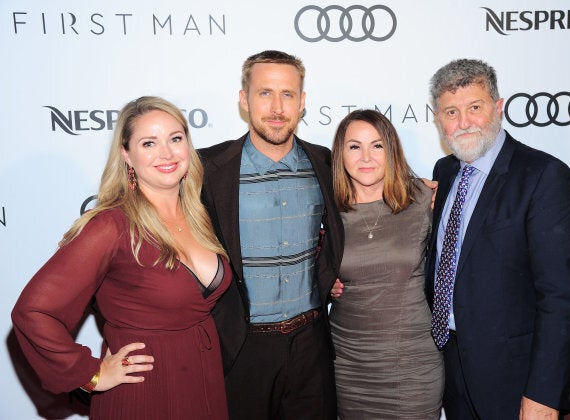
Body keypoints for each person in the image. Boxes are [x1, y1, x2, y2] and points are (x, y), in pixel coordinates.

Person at [12, 96, 232, 419]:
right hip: (145, 391)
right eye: (149, 143)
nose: (167, 153)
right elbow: (33, 311)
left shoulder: (199, 215)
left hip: (203, 380)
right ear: (127, 155)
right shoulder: (111, 226)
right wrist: (91, 374)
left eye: (175, 138)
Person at [425, 58, 570, 419]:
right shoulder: (446, 171)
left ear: (498, 107)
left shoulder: (544, 176)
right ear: (438, 119)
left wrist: (543, 396)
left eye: (475, 107)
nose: (463, 122)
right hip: (453, 368)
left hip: (516, 379)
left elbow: (560, 298)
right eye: (451, 111)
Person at [198, 50, 343, 419]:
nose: (277, 107)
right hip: (240, 348)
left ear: (302, 102)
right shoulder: (206, 171)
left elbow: (377, 189)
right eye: (265, 93)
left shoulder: (327, 163)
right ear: (244, 100)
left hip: (312, 345)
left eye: (288, 94)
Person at [328, 109, 444, 419]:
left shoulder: (424, 199)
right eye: (354, 146)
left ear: (391, 150)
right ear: (340, 153)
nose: (366, 156)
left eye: (377, 145)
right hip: (348, 366)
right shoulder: (326, 210)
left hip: (411, 368)